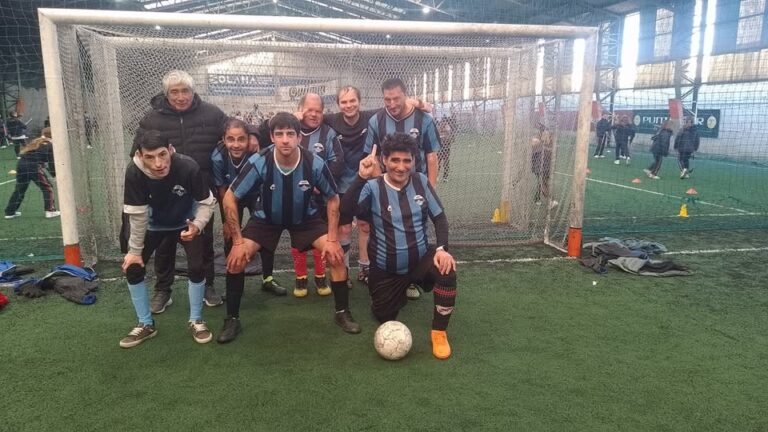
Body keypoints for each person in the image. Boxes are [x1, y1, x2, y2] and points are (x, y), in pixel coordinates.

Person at [217, 112, 359, 343]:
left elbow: (333, 198)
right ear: (272, 137)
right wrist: (238, 242)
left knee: (336, 257)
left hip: (305, 219)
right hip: (266, 219)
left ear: (299, 138)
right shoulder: (260, 161)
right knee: (236, 260)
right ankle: (232, 319)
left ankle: (342, 312)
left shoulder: (314, 163)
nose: (285, 140)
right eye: (280, 134)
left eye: (290, 134)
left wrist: (333, 239)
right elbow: (230, 197)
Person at [341, 133, 457, 360]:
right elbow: (346, 211)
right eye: (395, 160)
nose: (401, 167)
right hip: (386, 268)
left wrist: (442, 249)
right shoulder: (372, 187)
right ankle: (395, 293)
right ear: (384, 160)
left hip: (420, 260)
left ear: (413, 161)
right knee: (383, 315)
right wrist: (360, 177)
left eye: (406, 161)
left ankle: (439, 332)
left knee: (447, 269)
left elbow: (440, 218)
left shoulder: (421, 181)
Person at [137, 70, 226, 313]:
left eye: (185, 91)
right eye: (174, 92)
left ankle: (207, 285)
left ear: (193, 91)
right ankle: (163, 290)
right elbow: (137, 152)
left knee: (203, 240)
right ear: (166, 94)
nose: (180, 96)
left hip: (200, 189)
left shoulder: (212, 113)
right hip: (163, 193)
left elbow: (233, 131)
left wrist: (254, 135)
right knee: (164, 243)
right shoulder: (152, 119)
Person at [119, 129, 217, 348]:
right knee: (133, 266)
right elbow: (138, 215)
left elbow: (206, 202)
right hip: (151, 224)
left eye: (162, 154)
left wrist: (197, 225)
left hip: (186, 222)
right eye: (150, 157)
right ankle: (146, 324)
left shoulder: (188, 166)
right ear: (140, 155)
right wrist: (134, 251)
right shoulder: (134, 172)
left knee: (197, 266)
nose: (158, 163)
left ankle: (196, 320)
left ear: (171, 150)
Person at [363, 78, 441, 300]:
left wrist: (429, 189)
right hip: (386, 186)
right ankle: (382, 274)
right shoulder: (376, 121)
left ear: (406, 94)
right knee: (383, 231)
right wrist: (381, 187)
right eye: (387, 99)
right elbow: (372, 156)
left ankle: (412, 279)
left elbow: (431, 156)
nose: (391, 104)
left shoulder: (423, 119)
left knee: (415, 230)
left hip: (416, 188)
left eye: (396, 98)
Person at [212, 119, 287, 297]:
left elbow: (268, 127)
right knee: (231, 236)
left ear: (248, 139)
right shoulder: (217, 157)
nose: (236, 144)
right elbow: (222, 190)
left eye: (241, 139)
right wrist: (226, 221)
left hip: (255, 194)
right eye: (231, 139)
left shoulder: (255, 151)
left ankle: (268, 278)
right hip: (232, 197)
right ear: (223, 139)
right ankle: (233, 281)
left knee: (266, 232)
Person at [291, 93, 344, 297]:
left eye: (318, 111)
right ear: (300, 110)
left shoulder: (328, 134)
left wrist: (320, 185)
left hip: (320, 198)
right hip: (295, 197)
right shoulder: (290, 130)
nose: (314, 114)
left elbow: (337, 162)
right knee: (298, 238)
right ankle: (300, 277)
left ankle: (320, 276)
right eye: (309, 110)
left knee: (321, 236)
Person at [4, 127, 60, 219]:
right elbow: (51, 162)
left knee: (20, 189)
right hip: (33, 166)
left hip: (21, 165)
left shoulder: (37, 141)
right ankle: (50, 211)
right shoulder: (49, 145)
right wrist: (54, 175)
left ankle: (10, 212)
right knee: (47, 187)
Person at [436, 115, 456, 182]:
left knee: (446, 162)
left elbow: (452, 139)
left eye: (445, 122)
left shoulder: (448, 129)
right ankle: (437, 176)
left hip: (446, 148)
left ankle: (445, 177)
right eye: (442, 122)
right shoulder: (438, 129)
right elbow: (436, 138)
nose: (444, 123)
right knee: (438, 162)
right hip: (439, 148)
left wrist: (448, 138)